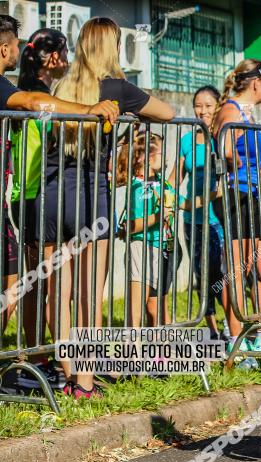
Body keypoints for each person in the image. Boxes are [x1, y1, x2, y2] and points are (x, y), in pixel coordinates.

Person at [46, 17, 172, 399]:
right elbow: (166, 113)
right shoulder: (117, 88)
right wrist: (133, 112)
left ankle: (67, 374)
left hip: (53, 193)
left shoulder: (60, 86)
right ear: (112, 47)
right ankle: (84, 382)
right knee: (89, 294)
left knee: (57, 292)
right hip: (90, 194)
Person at [7, 28, 70, 392]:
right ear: (51, 58)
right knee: (43, 283)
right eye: (64, 52)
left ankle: (32, 358)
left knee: (34, 282)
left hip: (29, 196)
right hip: (37, 195)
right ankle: (41, 361)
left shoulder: (31, 92)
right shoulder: (40, 98)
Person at [213, 59, 261, 358]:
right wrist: (235, 162)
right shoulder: (232, 109)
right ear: (256, 81)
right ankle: (237, 341)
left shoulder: (250, 114)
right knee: (239, 270)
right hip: (236, 194)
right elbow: (225, 145)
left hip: (253, 196)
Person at [169, 86, 226, 339]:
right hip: (192, 222)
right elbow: (173, 180)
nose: (202, 110)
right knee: (201, 277)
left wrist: (196, 202)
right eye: (198, 105)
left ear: (219, 107)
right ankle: (213, 330)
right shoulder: (187, 141)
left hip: (218, 221)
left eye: (208, 105)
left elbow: (225, 188)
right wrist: (169, 199)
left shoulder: (222, 139)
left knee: (222, 276)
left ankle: (235, 328)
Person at [117, 133, 184, 327]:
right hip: (142, 248)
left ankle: (162, 352)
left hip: (165, 249)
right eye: (161, 151)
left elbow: (182, 203)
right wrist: (158, 216)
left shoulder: (162, 182)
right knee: (139, 309)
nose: (165, 156)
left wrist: (211, 194)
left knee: (157, 306)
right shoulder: (136, 186)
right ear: (143, 156)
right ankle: (135, 354)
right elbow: (129, 226)